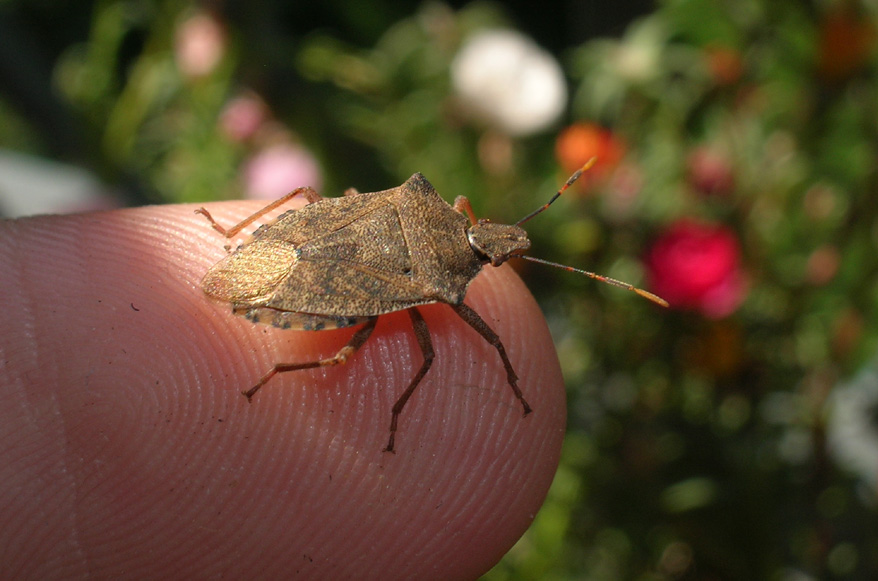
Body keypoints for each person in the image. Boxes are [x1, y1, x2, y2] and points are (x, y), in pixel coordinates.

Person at [0, 201, 565, 579]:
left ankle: (233, 246)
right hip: (321, 274)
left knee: (308, 199)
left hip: (319, 242)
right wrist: (401, 416)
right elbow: (461, 349)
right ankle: (280, 365)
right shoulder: (440, 276)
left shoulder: (417, 202)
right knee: (374, 355)